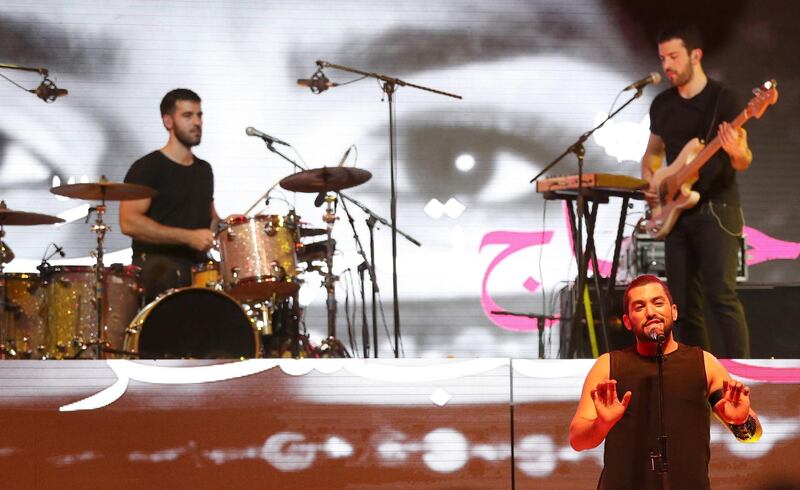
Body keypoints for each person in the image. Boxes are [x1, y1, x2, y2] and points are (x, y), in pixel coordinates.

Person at [569, 274, 761, 489]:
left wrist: (740, 422)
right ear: (627, 321)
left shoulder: (704, 362)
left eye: (658, 303)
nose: (651, 312)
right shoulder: (608, 366)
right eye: (639, 307)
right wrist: (602, 424)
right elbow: (577, 440)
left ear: (674, 311)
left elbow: (751, 436)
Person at [641, 23, 752, 358]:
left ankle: (741, 381)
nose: (667, 66)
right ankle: (696, 380)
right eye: (663, 58)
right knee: (683, 307)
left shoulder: (724, 100)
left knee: (722, 297)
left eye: (674, 56)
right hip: (677, 214)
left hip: (716, 209)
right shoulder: (662, 104)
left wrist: (734, 151)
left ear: (695, 55)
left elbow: (744, 160)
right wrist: (652, 180)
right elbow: (652, 154)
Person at [120, 88, 218, 302]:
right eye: (187, 115)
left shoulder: (204, 170)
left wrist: (229, 226)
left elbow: (209, 219)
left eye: (199, 115)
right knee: (164, 273)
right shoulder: (148, 167)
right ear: (168, 121)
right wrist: (189, 237)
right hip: (157, 265)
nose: (197, 122)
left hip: (198, 266)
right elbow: (129, 222)